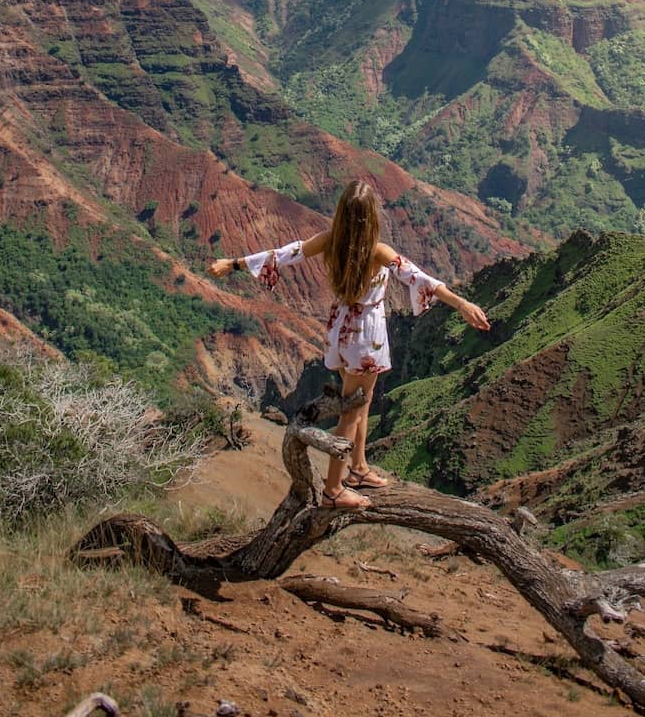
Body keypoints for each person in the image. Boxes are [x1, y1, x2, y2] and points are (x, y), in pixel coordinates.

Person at [207, 179, 490, 511]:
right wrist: (462, 304)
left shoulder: (330, 241)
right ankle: (333, 489)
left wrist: (235, 263)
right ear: (371, 217)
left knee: (361, 402)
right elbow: (420, 278)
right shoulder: (378, 251)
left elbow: (286, 253)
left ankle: (358, 468)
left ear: (341, 213)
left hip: (339, 330)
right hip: (366, 337)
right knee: (352, 411)